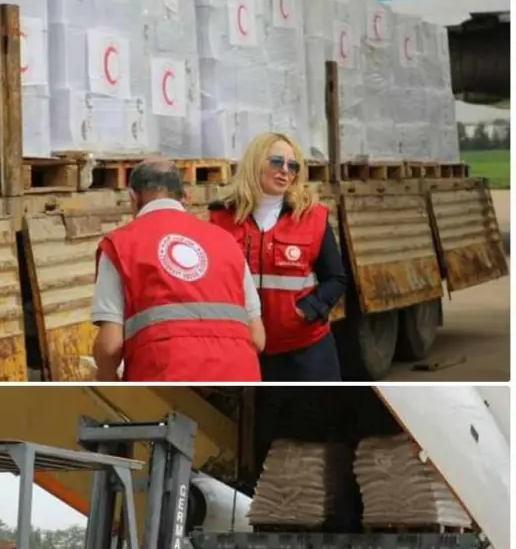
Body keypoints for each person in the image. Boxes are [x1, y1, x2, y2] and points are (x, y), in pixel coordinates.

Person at [92, 159, 266, 382]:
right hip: (239, 379)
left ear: (133, 198)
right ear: (185, 197)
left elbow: (110, 346)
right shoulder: (227, 241)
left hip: (165, 380)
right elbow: (258, 338)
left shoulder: (119, 245)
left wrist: (106, 379)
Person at [209, 132, 349, 381]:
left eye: (292, 166)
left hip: (305, 352)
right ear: (255, 163)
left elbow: (336, 279)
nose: (285, 170)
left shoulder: (312, 218)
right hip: (243, 349)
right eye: (276, 162)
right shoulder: (221, 220)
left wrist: (307, 310)